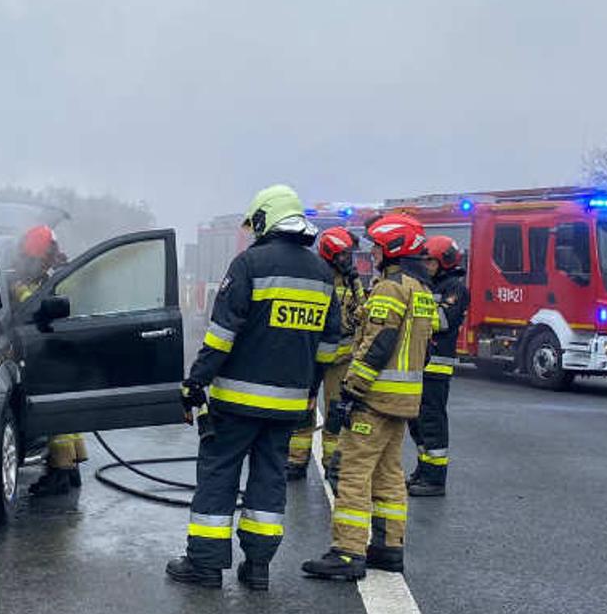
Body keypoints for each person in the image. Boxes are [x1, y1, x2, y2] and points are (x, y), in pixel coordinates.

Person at [167, 185, 345, 591]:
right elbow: (329, 346)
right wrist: (308, 390)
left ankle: (206, 566)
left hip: (235, 404)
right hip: (287, 407)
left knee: (219, 476)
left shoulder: (249, 264)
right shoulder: (321, 274)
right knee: (269, 480)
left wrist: (196, 381)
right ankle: (259, 567)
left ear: (266, 218)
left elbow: (222, 335)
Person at [302, 213, 434, 581]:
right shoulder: (421, 290)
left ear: (392, 247)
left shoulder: (391, 288)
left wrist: (351, 390)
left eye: (377, 245)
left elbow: (378, 342)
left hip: (374, 399)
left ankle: (347, 552)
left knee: (354, 473)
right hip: (404, 400)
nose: (372, 252)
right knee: (390, 472)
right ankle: (389, 548)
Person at [11, 225, 88, 494]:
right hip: (67, 350)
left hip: (56, 351)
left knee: (56, 417)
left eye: (31, 259)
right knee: (68, 413)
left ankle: (60, 473)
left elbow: (34, 306)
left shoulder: (52, 278)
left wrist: (18, 289)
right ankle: (72, 469)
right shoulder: (60, 271)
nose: (29, 264)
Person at [286, 227, 364, 481]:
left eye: (349, 255)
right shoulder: (315, 277)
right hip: (312, 355)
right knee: (303, 409)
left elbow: (362, 314)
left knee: (335, 412)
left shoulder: (353, 281)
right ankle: (296, 461)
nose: (348, 260)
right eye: (343, 255)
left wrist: (356, 284)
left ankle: (333, 463)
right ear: (330, 254)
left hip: (341, 358)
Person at [407, 235, 468, 497]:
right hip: (420, 364)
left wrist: (414, 311)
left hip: (437, 367)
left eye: (430, 261)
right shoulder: (427, 285)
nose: (425, 265)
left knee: (432, 422)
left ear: (444, 262)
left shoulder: (455, 288)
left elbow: (442, 321)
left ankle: (435, 478)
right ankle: (423, 468)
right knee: (416, 422)